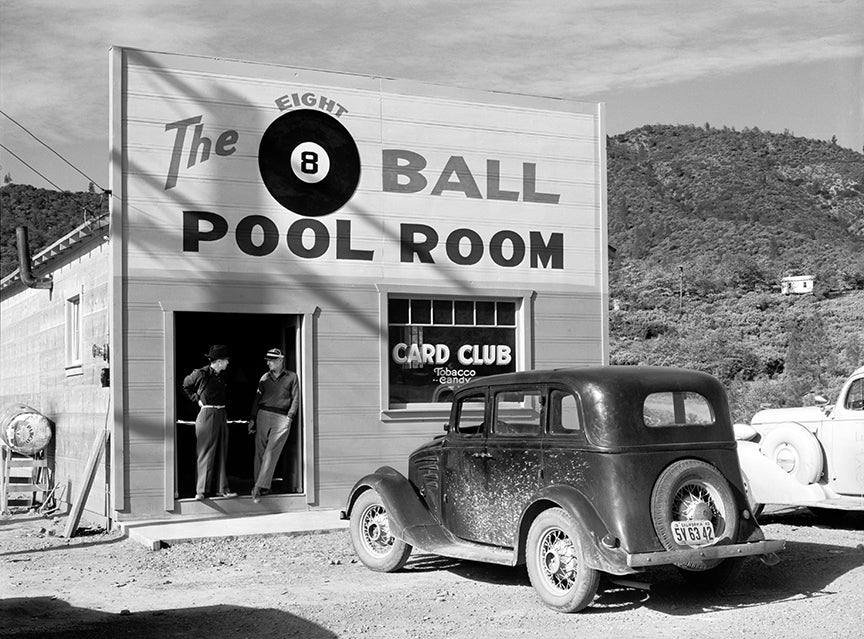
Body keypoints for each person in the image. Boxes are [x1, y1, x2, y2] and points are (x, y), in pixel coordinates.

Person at [182, 345, 238, 500]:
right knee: (205, 452)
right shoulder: (201, 373)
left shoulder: (223, 375)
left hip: (221, 413)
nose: (228, 363)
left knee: (221, 451)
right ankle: (201, 491)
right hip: (207, 413)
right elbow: (185, 385)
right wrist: (196, 399)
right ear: (219, 361)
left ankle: (222, 489)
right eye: (226, 360)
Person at [248, 348, 299, 503]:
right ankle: (264, 487)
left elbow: (295, 398)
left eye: (271, 360)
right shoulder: (264, 377)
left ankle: (257, 488)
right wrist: (252, 418)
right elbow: (257, 399)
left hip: (282, 417)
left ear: (280, 360)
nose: (268, 362)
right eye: (267, 360)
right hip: (263, 414)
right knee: (260, 452)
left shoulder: (292, 377)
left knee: (271, 453)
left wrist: (290, 417)